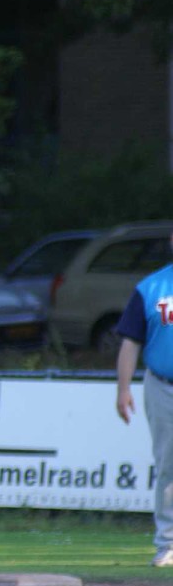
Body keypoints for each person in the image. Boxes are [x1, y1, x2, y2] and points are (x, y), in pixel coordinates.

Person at [116, 233, 173, 567]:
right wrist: (123, 389)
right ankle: (168, 543)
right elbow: (130, 342)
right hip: (164, 386)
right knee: (169, 465)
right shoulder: (151, 287)